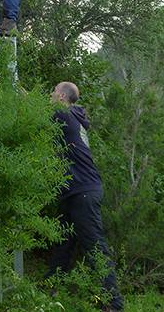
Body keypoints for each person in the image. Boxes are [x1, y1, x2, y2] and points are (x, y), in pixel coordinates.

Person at [47, 81, 124, 312]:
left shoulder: (64, 115)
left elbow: (33, 108)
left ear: (61, 97)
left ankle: (114, 304)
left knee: (95, 248)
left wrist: (8, 83)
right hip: (75, 192)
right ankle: (47, 290)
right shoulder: (72, 117)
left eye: (53, 92)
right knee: (63, 243)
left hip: (83, 192)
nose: (50, 96)